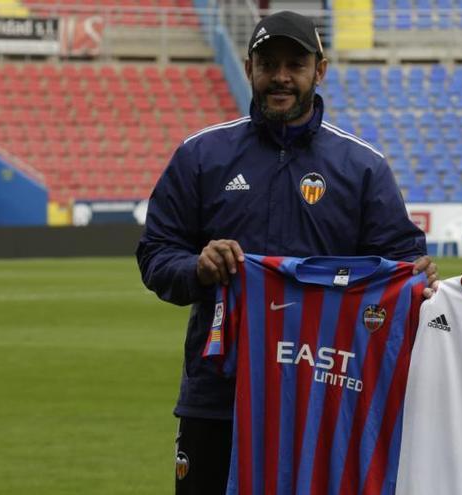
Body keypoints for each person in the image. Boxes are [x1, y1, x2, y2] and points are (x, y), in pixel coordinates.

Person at [136, 10, 436, 495]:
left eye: (294, 64)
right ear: (250, 65)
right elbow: (155, 254)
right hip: (219, 396)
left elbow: (403, 267)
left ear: (319, 70)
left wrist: (419, 280)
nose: (280, 77)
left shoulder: (361, 167)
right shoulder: (201, 156)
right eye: (268, 63)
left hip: (323, 398)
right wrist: (198, 267)